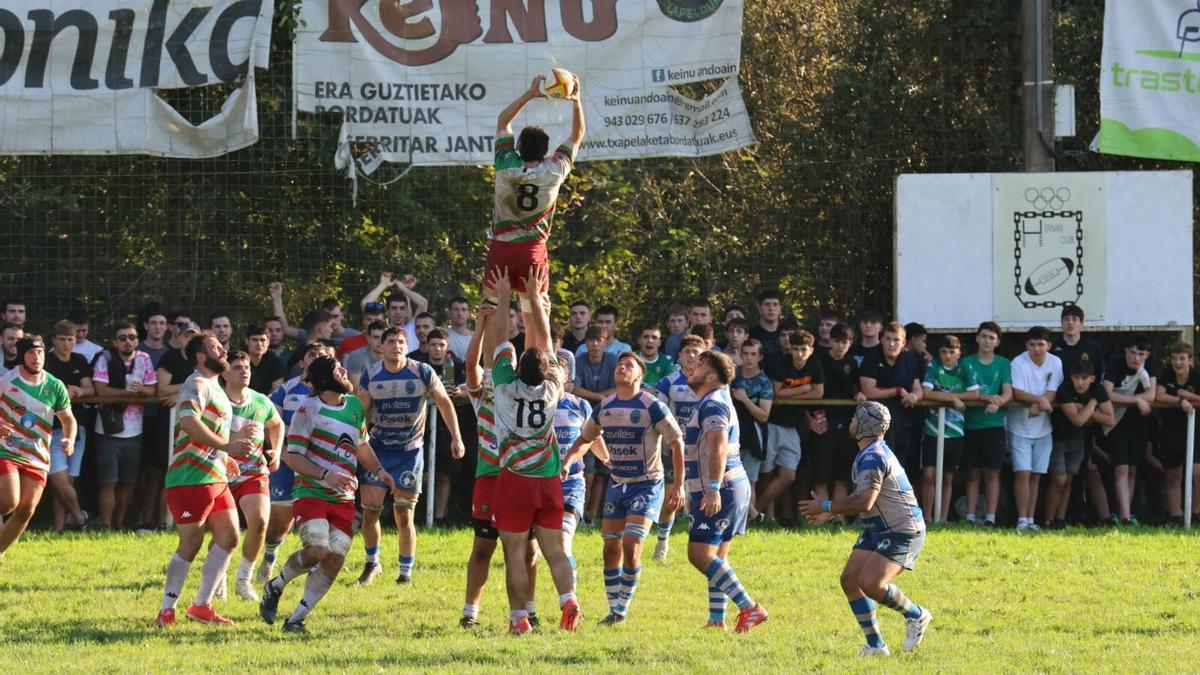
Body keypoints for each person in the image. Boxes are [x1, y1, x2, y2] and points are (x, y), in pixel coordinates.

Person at [258, 356, 397, 633]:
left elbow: (361, 446)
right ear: (324, 379)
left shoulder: (355, 406)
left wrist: (379, 470)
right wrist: (326, 475)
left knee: (335, 559)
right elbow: (294, 458)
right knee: (318, 550)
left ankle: (296, 619)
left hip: (343, 498)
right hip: (311, 492)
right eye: (337, 369)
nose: (345, 370)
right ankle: (276, 585)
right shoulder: (306, 410)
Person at [486, 268, 580, 634]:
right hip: (549, 479)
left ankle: (519, 619)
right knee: (554, 550)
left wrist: (503, 297)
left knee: (514, 554)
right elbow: (545, 342)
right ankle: (568, 599)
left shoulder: (505, 386)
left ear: (516, 368)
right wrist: (535, 299)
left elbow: (499, 340)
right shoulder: (554, 387)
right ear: (548, 370)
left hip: (515, 479)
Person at [799, 402, 932, 657]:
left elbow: (864, 502)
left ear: (863, 425)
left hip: (902, 530)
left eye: (854, 419)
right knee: (850, 580)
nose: (850, 423)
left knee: (871, 583)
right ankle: (876, 645)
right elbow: (864, 496)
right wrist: (832, 512)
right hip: (878, 528)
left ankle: (916, 615)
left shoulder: (872, 457)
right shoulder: (870, 452)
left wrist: (826, 505)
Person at [565, 352, 683, 624]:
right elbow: (586, 438)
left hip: (647, 484)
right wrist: (568, 460)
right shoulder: (604, 407)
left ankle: (620, 610)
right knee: (610, 548)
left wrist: (678, 485)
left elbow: (676, 442)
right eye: (619, 364)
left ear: (640, 375)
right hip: (617, 484)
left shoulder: (652, 406)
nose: (621, 367)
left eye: (629, 365)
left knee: (631, 545)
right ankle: (613, 608)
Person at [156, 331, 256, 627]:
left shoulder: (215, 387)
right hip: (190, 478)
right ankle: (167, 610)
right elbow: (189, 422)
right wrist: (226, 446)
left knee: (229, 537)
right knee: (191, 543)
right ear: (201, 356)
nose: (224, 350)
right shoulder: (197, 383)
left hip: (214, 477)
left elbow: (210, 431)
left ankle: (201, 606)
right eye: (216, 348)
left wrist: (224, 456)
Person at [356, 326, 464, 585]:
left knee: (404, 514)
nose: (397, 346)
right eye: (392, 341)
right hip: (378, 450)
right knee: (370, 510)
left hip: (409, 451)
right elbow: (360, 414)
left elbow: (444, 402)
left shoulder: (422, 372)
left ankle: (405, 572)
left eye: (401, 342)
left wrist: (457, 438)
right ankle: (372, 563)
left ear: (408, 346)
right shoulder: (371, 375)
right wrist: (355, 444)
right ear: (382, 346)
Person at [460, 301, 541, 629]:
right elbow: (470, 365)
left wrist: (533, 312)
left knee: (527, 550)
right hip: (490, 478)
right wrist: (481, 323)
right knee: (483, 547)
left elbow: (538, 355)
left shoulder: (525, 395)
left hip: (521, 478)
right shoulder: (484, 393)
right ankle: (469, 613)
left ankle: (529, 611)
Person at [682, 350, 768, 632]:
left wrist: (712, 490)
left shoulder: (713, 402)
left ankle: (749, 607)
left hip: (723, 486)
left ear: (711, 375)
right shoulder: (714, 399)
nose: (691, 366)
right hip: (730, 485)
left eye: (699, 364)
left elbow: (717, 446)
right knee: (717, 555)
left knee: (699, 554)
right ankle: (717, 619)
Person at [483, 75, 585, 310]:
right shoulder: (554, 170)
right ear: (547, 150)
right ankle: (538, 336)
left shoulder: (506, 162)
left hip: (502, 248)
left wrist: (529, 95)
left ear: (518, 146)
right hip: (532, 251)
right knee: (534, 314)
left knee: (491, 310)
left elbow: (503, 122)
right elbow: (577, 135)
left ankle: (492, 335)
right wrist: (576, 101)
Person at [258, 342, 333, 584]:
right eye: (312, 354)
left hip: (320, 462)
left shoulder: (335, 390)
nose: (317, 358)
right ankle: (269, 557)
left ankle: (316, 564)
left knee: (321, 514)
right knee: (280, 519)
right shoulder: (286, 390)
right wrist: (282, 453)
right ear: (301, 362)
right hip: (288, 460)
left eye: (322, 355)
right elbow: (271, 425)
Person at [0, 336, 77, 557]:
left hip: (37, 454)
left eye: (40, 352)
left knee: (26, 510)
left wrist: (70, 439)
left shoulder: (55, 385)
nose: (37, 357)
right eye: (31, 353)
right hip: (7, 449)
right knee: (8, 503)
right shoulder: (6, 381)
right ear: (21, 356)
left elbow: (68, 419)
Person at [222, 351, 284, 601]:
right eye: (237, 367)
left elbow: (277, 424)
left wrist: (276, 451)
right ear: (225, 373)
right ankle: (218, 579)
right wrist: (236, 439)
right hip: (220, 475)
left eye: (246, 367)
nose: (244, 371)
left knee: (259, 522)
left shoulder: (260, 400)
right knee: (225, 535)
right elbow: (203, 435)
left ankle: (244, 580)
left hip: (253, 473)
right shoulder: (216, 401)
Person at [92, 322, 158, 529]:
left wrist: (140, 391)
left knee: (128, 482)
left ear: (137, 340)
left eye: (131, 337)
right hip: (108, 430)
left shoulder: (144, 359)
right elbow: (100, 390)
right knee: (108, 482)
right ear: (115, 342)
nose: (127, 342)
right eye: (122, 338)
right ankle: (105, 525)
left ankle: (118, 525)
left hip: (135, 432)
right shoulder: (105, 358)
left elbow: (152, 390)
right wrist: (128, 394)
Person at [758, 329, 824, 522]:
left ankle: (755, 512)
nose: (799, 354)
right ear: (790, 349)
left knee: (788, 475)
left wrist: (792, 392)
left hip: (793, 426)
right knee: (766, 474)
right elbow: (777, 392)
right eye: (796, 349)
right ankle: (762, 516)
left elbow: (818, 393)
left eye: (804, 349)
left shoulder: (814, 363)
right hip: (772, 423)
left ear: (811, 350)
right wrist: (804, 388)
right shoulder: (781, 363)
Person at [652, 334, 705, 559]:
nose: (692, 356)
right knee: (671, 500)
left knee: (703, 499)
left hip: (703, 449)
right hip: (674, 448)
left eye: (696, 352)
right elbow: (657, 413)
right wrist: (669, 435)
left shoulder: (710, 381)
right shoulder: (669, 382)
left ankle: (703, 544)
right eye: (687, 352)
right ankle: (662, 542)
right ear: (680, 355)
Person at [410, 327, 470, 525]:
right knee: (424, 474)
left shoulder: (456, 365)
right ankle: (418, 514)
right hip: (422, 425)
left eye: (441, 345)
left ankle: (439, 517)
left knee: (445, 475)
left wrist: (459, 393)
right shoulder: (418, 366)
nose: (437, 349)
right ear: (427, 346)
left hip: (447, 426)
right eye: (433, 345)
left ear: (447, 346)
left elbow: (469, 389)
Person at [1008, 326, 1063, 532]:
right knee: (1023, 473)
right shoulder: (1018, 362)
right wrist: (1039, 401)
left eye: (1041, 344)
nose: (1037, 349)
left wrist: (1038, 403)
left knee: (1035, 476)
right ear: (1026, 345)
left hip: (1044, 429)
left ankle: (1030, 520)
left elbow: (1052, 391)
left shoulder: (1056, 362)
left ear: (1049, 345)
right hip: (1019, 428)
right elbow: (1018, 392)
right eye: (1032, 344)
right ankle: (1021, 520)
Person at [917, 335, 978, 523]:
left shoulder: (965, 367)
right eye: (944, 352)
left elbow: (975, 393)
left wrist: (951, 397)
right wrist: (952, 399)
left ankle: (942, 519)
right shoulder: (934, 366)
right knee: (928, 475)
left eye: (952, 352)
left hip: (955, 432)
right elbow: (926, 392)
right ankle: (927, 518)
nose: (948, 356)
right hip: (932, 430)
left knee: (947, 477)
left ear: (959, 353)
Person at [1047, 361, 1113, 529]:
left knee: (1069, 480)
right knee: (1059, 479)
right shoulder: (1064, 390)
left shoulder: (1098, 389)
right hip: (1058, 439)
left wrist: (1086, 409)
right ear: (1071, 378)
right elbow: (1077, 420)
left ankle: (1060, 519)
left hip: (1078, 439)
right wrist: (1092, 405)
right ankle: (1048, 519)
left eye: (1084, 378)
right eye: (1076, 378)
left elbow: (1110, 419)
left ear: (1092, 378)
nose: (1080, 382)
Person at [552, 363, 599, 599]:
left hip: (571, 484)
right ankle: (528, 608)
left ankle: (571, 600)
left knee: (563, 541)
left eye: (556, 366)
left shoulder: (580, 405)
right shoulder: (534, 404)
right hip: (540, 484)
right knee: (533, 551)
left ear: (566, 376)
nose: (551, 370)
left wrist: (609, 460)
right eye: (547, 366)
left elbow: (592, 437)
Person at [959, 322, 1012, 526]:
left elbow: (1008, 392)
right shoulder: (965, 362)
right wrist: (986, 398)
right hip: (970, 424)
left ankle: (991, 517)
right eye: (984, 336)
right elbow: (961, 392)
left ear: (997, 342)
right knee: (972, 472)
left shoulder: (1004, 363)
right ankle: (970, 516)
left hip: (994, 425)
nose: (987, 341)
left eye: (991, 337)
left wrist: (998, 401)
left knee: (992, 472)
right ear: (977, 338)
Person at [1099, 334, 1155, 526]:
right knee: (1121, 468)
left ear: (1147, 355)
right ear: (1126, 351)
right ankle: (1123, 517)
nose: (1136, 358)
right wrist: (1137, 400)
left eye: (1141, 354)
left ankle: (1127, 513)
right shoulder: (1115, 362)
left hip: (1138, 422)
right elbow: (1107, 393)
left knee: (1132, 469)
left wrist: (1138, 400)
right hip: (1116, 421)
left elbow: (1151, 394)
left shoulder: (1149, 366)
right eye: (1132, 353)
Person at [43, 321, 93, 532]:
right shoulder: (46, 361)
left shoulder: (80, 360)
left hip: (77, 429)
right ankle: (81, 518)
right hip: (51, 429)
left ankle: (58, 529)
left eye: (70, 339)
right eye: (62, 339)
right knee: (59, 481)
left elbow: (90, 388)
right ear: (54, 340)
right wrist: (65, 391)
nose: (66, 344)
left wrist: (80, 391)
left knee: (67, 484)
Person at [857, 322, 922, 468]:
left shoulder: (909, 359)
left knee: (902, 463)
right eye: (888, 339)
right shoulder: (872, 358)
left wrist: (914, 397)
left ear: (904, 342)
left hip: (904, 418)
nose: (891, 344)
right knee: (880, 463)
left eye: (896, 340)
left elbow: (918, 390)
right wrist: (898, 391)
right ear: (881, 339)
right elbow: (868, 391)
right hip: (877, 422)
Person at [813, 324, 859, 516]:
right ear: (830, 341)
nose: (840, 345)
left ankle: (838, 517)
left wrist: (859, 395)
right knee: (821, 474)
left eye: (844, 342)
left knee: (842, 475)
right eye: (837, 341)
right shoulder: (818, 359)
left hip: (846, 421)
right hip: (823, 420)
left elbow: (856, 388)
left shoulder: (852, 363)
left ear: (850, 343)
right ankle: (822, 516)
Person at [1153, 343, 1200, 523]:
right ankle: (1175, 516)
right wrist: (1180, 400)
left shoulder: (1197, 377)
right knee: (1173, 474)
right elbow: (1159, 395)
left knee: (1197, 474)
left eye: (1182, 359)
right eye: (1174, 358)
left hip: (1196, 428)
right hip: (1172, 429)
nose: (1177, 363)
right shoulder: (1166, 374)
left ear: (1190, 360)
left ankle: (1195, 514)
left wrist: (1187, 395)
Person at [731, 339, 773, 522]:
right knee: (728, 478)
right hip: (731, 434)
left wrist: (745, 400)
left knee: (749, 481)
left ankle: (747, 522)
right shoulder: (733, 375)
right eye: (746, 354)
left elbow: (764, 416)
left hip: (754, 436)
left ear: (760, 357)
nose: (749, 358)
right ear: (740, 355)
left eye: (753, 354)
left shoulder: (764, 382)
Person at [270, 284, 360, 349]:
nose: (332, 320)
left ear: (342, 315)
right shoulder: (310, 334)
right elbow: (285, 329)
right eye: (327, 316)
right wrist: (277, 299)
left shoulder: (356, 336)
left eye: (335, 316)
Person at [360, 272, 428, 347]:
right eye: (394, 308)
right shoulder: (381, 331)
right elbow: (364, 304)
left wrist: (404, 289)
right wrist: (383, 285)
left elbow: (423, 304)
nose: (398, 312)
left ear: (406, 311)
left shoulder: (414, 328)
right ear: (387, 311)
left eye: (402, 308)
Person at [1051, 305, 1104, 380]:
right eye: (1067, 319)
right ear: (1061, 323)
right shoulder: (1051, 347)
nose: (1070, 322)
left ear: (1081, 324)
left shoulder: (1092, 348)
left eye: (1074, 319)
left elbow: (1098, 375)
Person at [573, 326, 618, 404]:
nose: (595, 344)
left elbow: (616, 389)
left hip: (608, 403)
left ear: (605, 343)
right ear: (586, 343)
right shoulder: (578, 361)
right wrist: (599, 397)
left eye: (599, 340)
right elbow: (574, 388)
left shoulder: (613, 360)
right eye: (591, 340)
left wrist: (595, 397)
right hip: (583, 404)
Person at [341, 320, 386, 386]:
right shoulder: (356, 356)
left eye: (384, 337)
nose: (380, 341)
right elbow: (355, 389)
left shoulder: (395, 356)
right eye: (376, 337)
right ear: (368, 339)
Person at [246, 325, 286, 395]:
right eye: (254, 340)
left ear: (268, 342)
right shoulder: (239, 359)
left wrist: (262, 401)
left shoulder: (275, 361)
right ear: (247, 341)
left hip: (266, 400)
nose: (259, 344)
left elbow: (276, 390)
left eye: (262, 340)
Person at [749, 290, 784, 360]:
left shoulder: (787, 334)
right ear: (759, 308)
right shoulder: (749, 334)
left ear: (780, 309)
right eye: (767, 304)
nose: (771, 308)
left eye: (775, 304)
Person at [445, 296, 474, 361]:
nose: (460, 313)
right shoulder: (442, 335)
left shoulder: (476, 338)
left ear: (469, 314)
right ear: (449, 313)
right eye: (456, 309)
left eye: (463, 309)